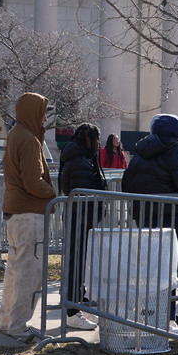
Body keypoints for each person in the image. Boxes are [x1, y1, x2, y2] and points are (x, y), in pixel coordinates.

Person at [121, 114, 178, 327]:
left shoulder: (141, 151)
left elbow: (127, 183)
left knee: (151, 268)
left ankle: (154, 313)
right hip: (172, 220)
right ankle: (166, 316)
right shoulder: (177, 151)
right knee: (169, 269)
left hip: (145, 217)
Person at [0, 92, 56, 337]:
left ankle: (7, 322)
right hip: (29, 213)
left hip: (15, 212)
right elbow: (34, 183)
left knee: (14, 271)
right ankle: (19, 326)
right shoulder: (30, 140)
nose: (45, 119)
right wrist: (53, 193)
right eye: (42, 113)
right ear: (33, 113)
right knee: (29, 274)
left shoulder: (15, 134)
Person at [58, 123, 107, 331]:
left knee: (78, 263)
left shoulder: (81, 157)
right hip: (80, 218)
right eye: (96, 139)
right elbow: (81, 193)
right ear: (88, 139)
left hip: (80, 218)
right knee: (75, 264)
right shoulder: (79, 160)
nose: (98, 144)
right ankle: (72, 311)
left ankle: (76, 304)